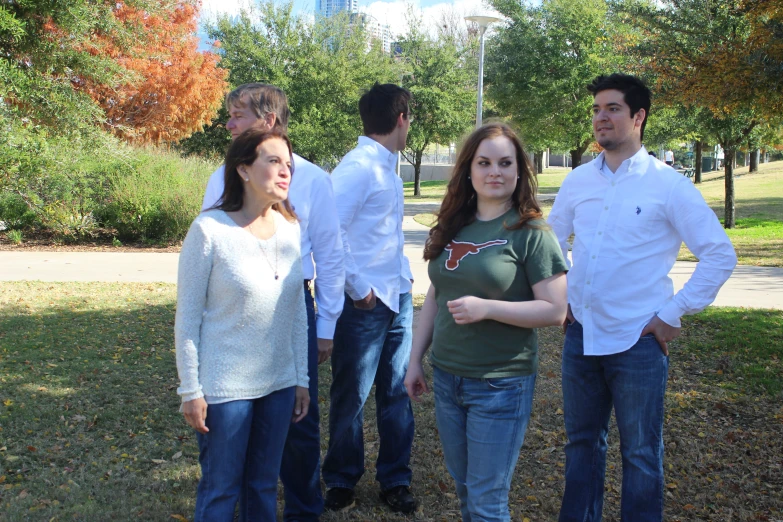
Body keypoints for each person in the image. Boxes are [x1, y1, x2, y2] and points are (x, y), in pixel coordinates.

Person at [548, 73, 737, 522]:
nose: (601, 118)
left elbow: (719, 254)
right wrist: (561, 295)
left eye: (612, 108)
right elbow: (551, 243)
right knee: (581, 447)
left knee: (640, 455)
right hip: (580, 336)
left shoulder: (667, 185)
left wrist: (674, 313)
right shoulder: (577, 181)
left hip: (638, 341)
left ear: (638, 117)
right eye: (596, 109)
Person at [404, 122, 568, 522]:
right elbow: (436, 298)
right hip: (447, 378)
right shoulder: (454, 224)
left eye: (505, 162)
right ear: (469, 170)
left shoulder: (531, 232)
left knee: (487, 502)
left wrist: (488, 308)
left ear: (519, 171)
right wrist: (414, 361)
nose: (495, 171)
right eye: (485, 162)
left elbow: (555, 310)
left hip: (500, 384)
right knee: (464, 489)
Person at [201, 83, 344, 521]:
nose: (229, 123)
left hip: (292, 305)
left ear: (268, 120)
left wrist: (325, 329)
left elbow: (332, 257)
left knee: (298, 424)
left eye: (238, 114)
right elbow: (209, 256)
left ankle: (304, 511)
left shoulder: (315, 181)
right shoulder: (222, 176)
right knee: (237, 421)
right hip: (237, 308)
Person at [175, 127, 310, 521]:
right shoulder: (209, 230)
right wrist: (191, 389)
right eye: (273, 161)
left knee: (264, 486)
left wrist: (301, 378)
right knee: (221, 489)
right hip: (224, 389)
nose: (285, 171)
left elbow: (297, 310)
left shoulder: (290, 229)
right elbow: (187, 319)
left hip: (280, 384)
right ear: (243, 170)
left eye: (289, 164)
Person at [321, 83, 416, 514]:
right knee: (352, 396)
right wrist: (360, 291)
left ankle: (395, 480)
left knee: (396, 393)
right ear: (401, 119)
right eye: (410, 119)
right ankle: (341, 479)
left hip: (398, 298)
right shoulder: (358, 167)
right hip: (366, 306)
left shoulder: (387, 167)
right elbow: (328, 235)